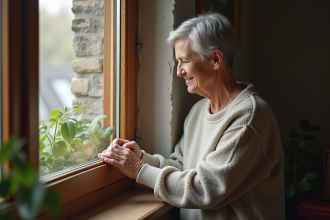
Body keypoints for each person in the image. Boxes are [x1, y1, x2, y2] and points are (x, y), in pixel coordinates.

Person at [98, 13, 285, 220]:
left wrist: (140, 169)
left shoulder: (251, 118)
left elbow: (206, 189)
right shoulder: (198, 110)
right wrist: (143, 158)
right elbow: (183, 167)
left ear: (215, 59)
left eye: (184, 61)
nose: (179, 72)